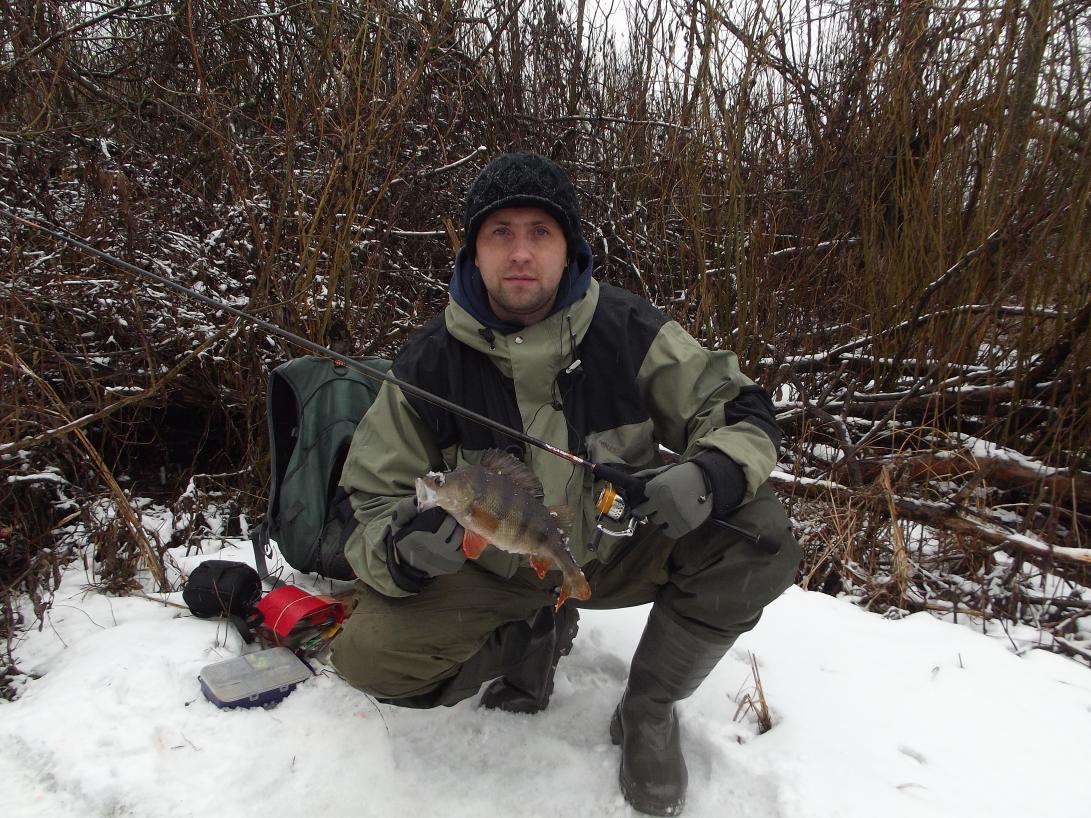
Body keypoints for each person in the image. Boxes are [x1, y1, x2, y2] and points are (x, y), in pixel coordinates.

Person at [330, 152, 801, 816]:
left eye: (540, 232)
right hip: (491, 568)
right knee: (369, 658)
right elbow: (369, 502)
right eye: (500, 232)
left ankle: (648, 708)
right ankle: (531, 631)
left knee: (758, 538)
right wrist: (399, 551)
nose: (520, 252)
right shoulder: (426, 365)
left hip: (614, 549)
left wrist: (710, 472)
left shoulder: (630, 331)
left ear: (568, 246)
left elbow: (741, 409)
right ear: (473, 251)